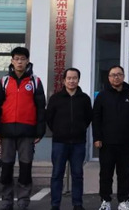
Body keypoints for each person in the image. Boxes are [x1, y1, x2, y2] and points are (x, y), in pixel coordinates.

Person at [0, 46, 46, 210]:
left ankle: (23, 200)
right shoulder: (4, 81)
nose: (19, 62)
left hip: (27, 132)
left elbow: (41, 108)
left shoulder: (35, 82)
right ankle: (6, 200)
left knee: (25, 167)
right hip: (6, 132)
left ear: (27, 61)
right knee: (6, 167)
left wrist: (40, 130)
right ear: (12, 61)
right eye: (16, 59)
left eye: (22, 59)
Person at [93, 65, 129, 210]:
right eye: (113, 75)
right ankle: (105, 201)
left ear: (124, 76)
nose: (116, 77)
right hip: (106, 143)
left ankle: (123, 201)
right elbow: (96, 118)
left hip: (125, 142)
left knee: (125, 173)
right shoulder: (102, 96)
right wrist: (97, 137)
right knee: (106, 173)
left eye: (119, 74)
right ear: (109, 78)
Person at [46, 67, 93, 210]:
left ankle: (77, 204)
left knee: (77, 174)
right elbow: (49, 118)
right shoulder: (55, 98)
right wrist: (59, 130)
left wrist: (79, 129)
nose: (72, 81)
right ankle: (55, 204)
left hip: (78, 143)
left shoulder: (84, 99)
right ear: (64, 80)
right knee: (57, 174)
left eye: (74, 78)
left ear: (78, 80)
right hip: (60, 142)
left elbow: (88, 118)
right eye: (69, 78)